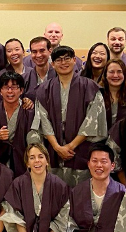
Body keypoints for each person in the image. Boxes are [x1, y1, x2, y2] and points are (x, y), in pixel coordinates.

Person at [31, 46, 107, 187]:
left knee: (81, 193)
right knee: (55, 191)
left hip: (81, 149)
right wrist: (57, 147)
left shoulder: (90, 87)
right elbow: (43, 119)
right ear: (52, 64)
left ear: (74, 60)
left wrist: (71, 146)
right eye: (58, 60)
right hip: (54, 151)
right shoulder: (44, 90)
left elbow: (92, 120)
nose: (63, 62)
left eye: (67, 58)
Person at [0, 143, 71, 232]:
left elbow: (61, 221)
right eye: (32, 158)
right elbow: (15, 218)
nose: (37, 161)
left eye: (40, 156)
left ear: (47, 160)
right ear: (27, 162)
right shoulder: (18, 184)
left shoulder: (59, 185)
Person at [0, 71, 36, 177]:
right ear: (0, 91)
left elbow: (36, 142)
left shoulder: (30, 112)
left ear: (21, 90)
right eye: (6, 87)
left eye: (14, 87)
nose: (10, 91)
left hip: (25, 166)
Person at [100, 59, 126, 129]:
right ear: (105, 75)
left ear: (124, 74)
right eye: (111, 72)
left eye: (119, 72)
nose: (115, 75)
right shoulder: (97, 95)